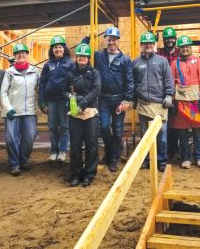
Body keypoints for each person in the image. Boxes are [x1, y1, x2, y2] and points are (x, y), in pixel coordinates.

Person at [92, 26, 134, 173]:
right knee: (103, 127)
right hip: (103, 99)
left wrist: (127, 100)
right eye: (109, 39)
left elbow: (130, 81)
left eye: (114, 39)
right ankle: (109, 152)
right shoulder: (98, 56)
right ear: (105, 40)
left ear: (118, 41)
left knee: (117, 130)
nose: (111, 42)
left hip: (118, 100)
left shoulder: (125, 59)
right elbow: (84, 47)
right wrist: (88, 36)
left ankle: (114, 158)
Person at [133, 32, 174, 172]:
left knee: (161, 135)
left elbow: (169, 79)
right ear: (141, 46)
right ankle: (146, 160)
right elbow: (133, 83)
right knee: (145, 135)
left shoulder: (162, 61)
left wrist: (169, 95)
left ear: (154, 45)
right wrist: (133, 100)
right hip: (143, 103)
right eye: (145, 44)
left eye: (150, 43)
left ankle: (161, 160)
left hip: (160, 103)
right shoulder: (136, 62)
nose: (148, 46)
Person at [170, 35, 200, 169]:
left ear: (190, 48)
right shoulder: (174, 63)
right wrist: (173, 101)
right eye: (183, 47)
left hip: (194, 104)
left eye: (187, 47)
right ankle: (186, 157)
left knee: (197, 130)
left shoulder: (197, 61)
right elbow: (171, 83)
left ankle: (199, 157)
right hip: (181, 103)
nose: (185, 49)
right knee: (182, 132)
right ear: (179, 49)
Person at [64, 43, 101, 187]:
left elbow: (97, 89)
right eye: (80, 56)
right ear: (76, 57)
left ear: (88, 58)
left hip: (90, 113)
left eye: (85, 56)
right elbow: (64, 91)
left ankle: (89, 174)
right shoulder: (70, 73)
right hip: (75, 114)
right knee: (75, 145)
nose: (82, 58)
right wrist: (72, 98)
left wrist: (83, 102)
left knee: (91, 145)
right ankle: (76, 173)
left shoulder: (94, 73)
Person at [0, 43, 39, 176]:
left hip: (29, 111)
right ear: (15, 57)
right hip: (13, 112)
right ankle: (14, 164)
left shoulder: (35, 72)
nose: (21, 55)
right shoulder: (9, 72)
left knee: (30, 137)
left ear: (27, 55)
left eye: (23, 53)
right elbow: (3, 92)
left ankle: (24, 160)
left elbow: (41, 89)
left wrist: (44, 102)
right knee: (12, 138)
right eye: (18, 53)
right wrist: (8, 108)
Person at [38, 35, 74, 163]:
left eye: (60, 47)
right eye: (55, 47)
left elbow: (74, 82)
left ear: (64, 48)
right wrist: (41, 101)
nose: (58, 49)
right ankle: (53, 151)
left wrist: (72, 101)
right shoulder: (48, 65)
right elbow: (42, 83)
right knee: (53, 127)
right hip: (51, 101)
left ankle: (63, 151)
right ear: (52, 50)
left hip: (64, 100)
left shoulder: (70, 63)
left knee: (64, 126)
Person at [157, 27, 179, 160]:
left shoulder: (180, 53)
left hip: (178, 94)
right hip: (161, 93)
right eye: (167, 38)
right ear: (163, 40)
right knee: (164, 124)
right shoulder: (159, 53)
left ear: (175, 39)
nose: (169, 40)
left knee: (176, 124)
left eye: (171, 38)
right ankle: (164, 152)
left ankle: (174, 150)